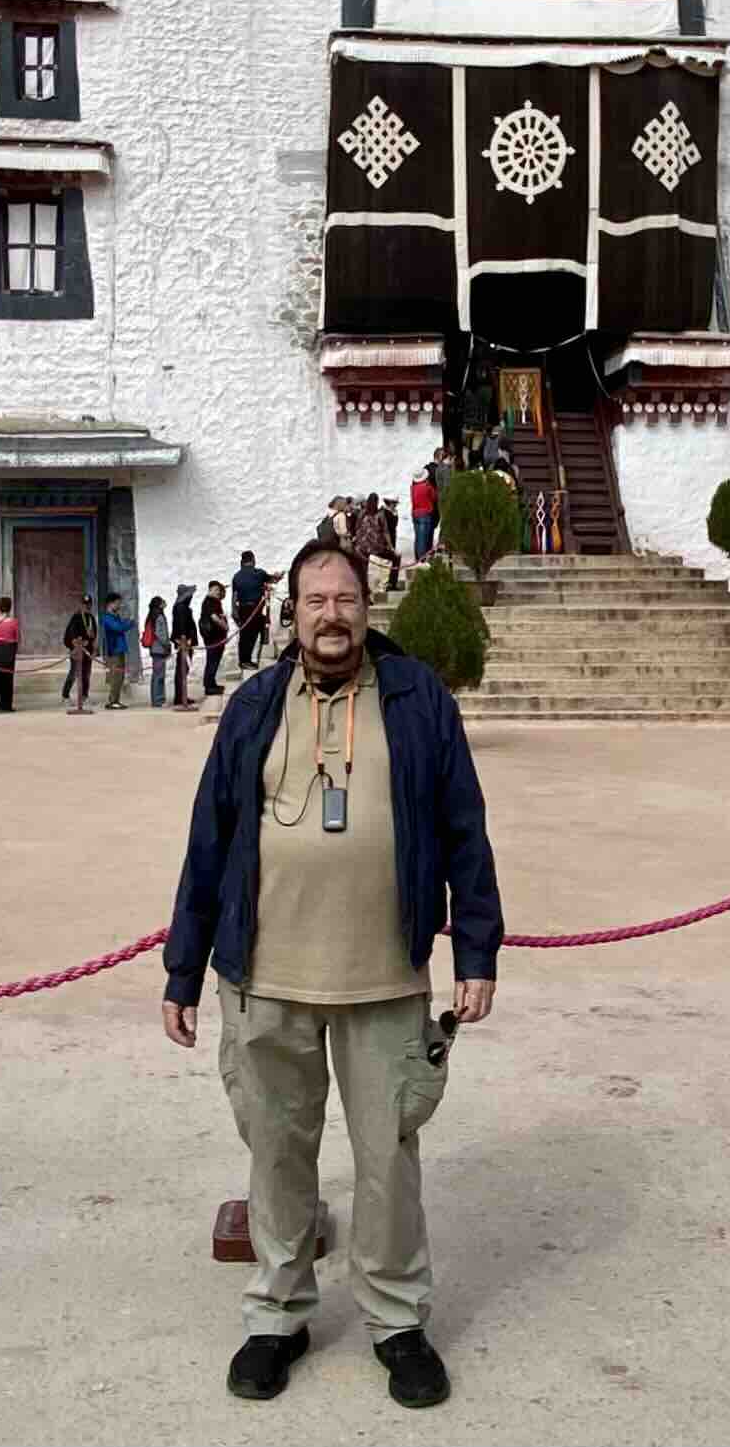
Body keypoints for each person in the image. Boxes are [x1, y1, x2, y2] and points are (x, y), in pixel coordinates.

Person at [162, 539, 502, 1411]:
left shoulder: (416, 698)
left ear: (365, 604)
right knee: (276, 1148)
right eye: (315, 599)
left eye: (345, 597)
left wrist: (474, 948)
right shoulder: (254, 705)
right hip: (266, 973)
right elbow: (210, 838)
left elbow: (464, 824)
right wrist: (182, 968)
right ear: (292, 609)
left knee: (388, 1154)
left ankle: (395, 1317)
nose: (331, 614)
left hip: (384, 973)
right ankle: (277, 1311)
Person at [230, 553, 272, 673]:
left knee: (245, 635)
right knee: (253, 633)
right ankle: (246, 660)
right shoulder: (259, 573)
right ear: (253, 560)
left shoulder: (236, 576)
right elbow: (271, 579)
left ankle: (245, 660)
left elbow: (234, 596)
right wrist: (278, 576)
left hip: (243, 609)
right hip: (255, 609)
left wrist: (234, 612)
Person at [63, 597, 98, 715]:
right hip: (77, 651)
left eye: (89, 604)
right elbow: (70, 634)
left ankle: (84, 696)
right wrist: (76, 645)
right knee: (73, 673)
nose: (87, 606)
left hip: (87, 651)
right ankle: (65, 695)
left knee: (86, 673)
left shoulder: (91, 618)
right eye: (85, 604)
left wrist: (94, 650)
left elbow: (94, 635)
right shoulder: (76, 617)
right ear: (81, 605)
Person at [99, 591, 132, 710]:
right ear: (110, 604)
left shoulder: (115, 616)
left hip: (120, 649)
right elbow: (118, 628)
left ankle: (116, 700)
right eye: (117, 603)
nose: (119, 605)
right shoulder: (107, 618)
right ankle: (113, 701)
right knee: (116, 677)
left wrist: (126, 623)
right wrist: (129, 623)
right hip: (113, 650)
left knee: (120, 676)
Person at [171, 585, 199, 709]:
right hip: (184, 642)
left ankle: (181, 695)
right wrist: (185, 640)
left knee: (183, 670)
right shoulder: (181, 608)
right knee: (182, 670)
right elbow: (181, 626)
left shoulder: (181, 607)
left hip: (185, 642)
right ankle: (180, 697)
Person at [410, 459, 442, 565]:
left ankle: (418, 558)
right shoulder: (427, 486)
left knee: (418, 538)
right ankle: (422, 560)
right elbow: (434, 497)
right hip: (426, 514)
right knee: (425, 539)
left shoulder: (413, 487)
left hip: (415, 514)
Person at [199, 583, 229, 697]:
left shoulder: (214, 601)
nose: (218, 592)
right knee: (212, 661)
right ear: (211, 590)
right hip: (213, 637)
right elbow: (214, 617)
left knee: (214, 661)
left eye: (219, 590)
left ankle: (212, 683)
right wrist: (224, 626)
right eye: (216, 590)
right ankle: (209, 687)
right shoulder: (209, 602)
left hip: (217, 637)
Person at [143, 595, 171, 707]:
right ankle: (158, 700)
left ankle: (157, 698)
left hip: (154, 648)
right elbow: (161, 634)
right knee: (159, 676)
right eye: (163, 601)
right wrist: (167, 645)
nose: (165, 603)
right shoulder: (159, 617)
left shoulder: (152, 616)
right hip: (159, 649)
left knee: (157, 675)